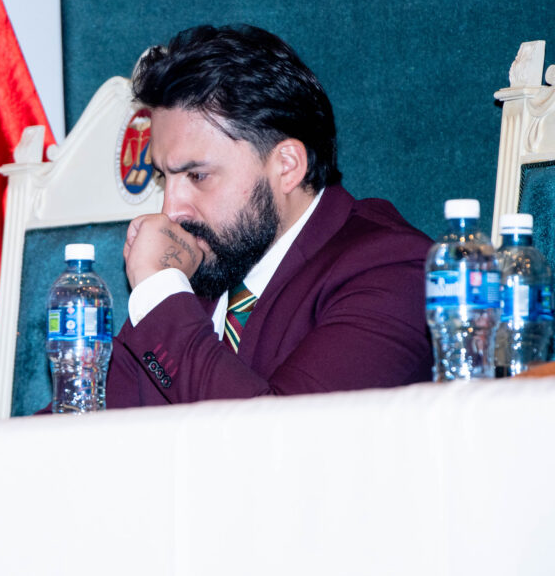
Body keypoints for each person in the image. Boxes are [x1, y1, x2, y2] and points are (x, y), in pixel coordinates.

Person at [107, 24, 432, 407]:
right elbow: (75, 427)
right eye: (165, 177)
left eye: (197, 176)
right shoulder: (200, 266)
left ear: (287, 165)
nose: (171, 211)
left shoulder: (395, 272)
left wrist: (159, 292)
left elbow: (277, 436)